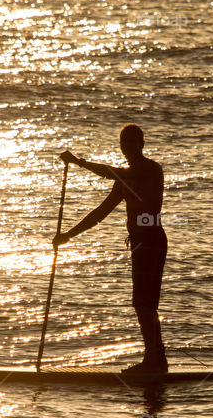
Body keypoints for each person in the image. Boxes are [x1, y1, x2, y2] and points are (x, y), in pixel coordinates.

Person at [54, 123, 168, 375]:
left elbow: (110, 173)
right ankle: (156, 359)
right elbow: (100, 213)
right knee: (143, 303)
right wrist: (68, 235)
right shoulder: (124, 180)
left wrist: (78, 162)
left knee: (144, 303)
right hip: (139, 242)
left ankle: (154, 361)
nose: (127, 147)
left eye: (131, 142)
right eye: (123, 143)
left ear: (141, 144)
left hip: (153, 240)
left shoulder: (150, 169)